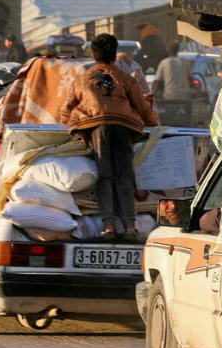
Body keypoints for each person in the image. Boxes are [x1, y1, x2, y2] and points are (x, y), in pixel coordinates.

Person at [61, 33, 159, 241]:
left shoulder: (82, 79)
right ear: (114, 55)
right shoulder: (125, 79)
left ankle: (109, 226)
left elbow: (65, 111)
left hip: (96, 128)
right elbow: (143, 110)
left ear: (93, 54)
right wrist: (154, 123)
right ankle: (130, 227)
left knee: (105, 175)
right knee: (125, 175)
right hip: (124, 128)